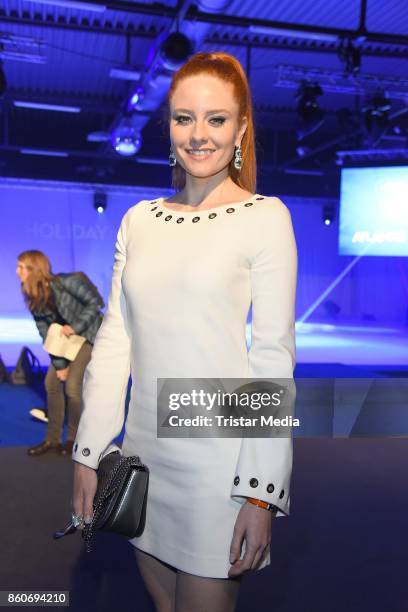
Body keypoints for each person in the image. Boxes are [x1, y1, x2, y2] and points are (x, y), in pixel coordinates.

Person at [72, 51, 297, 612]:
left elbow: (271, 359)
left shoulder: (265, 217)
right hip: (143, 460)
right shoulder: (139, 220)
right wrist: (87, 454)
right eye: (183, 118)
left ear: (242, 127)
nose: (198, 135)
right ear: (167, 124)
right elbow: (114, 342)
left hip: (219, 466)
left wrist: (260, 494)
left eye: (216, 119)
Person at [16, 250, 104, 456]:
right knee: (52, 383)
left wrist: (75, 326)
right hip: (64, 341)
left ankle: (74, 440)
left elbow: (96, 303)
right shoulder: (32, 293)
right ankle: (52, 440)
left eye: (21, 267)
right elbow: (44, 331)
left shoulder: (68, 282)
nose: (17, 271)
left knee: (73, 387)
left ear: (34, 269)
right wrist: (59, 365)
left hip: (88, 335)